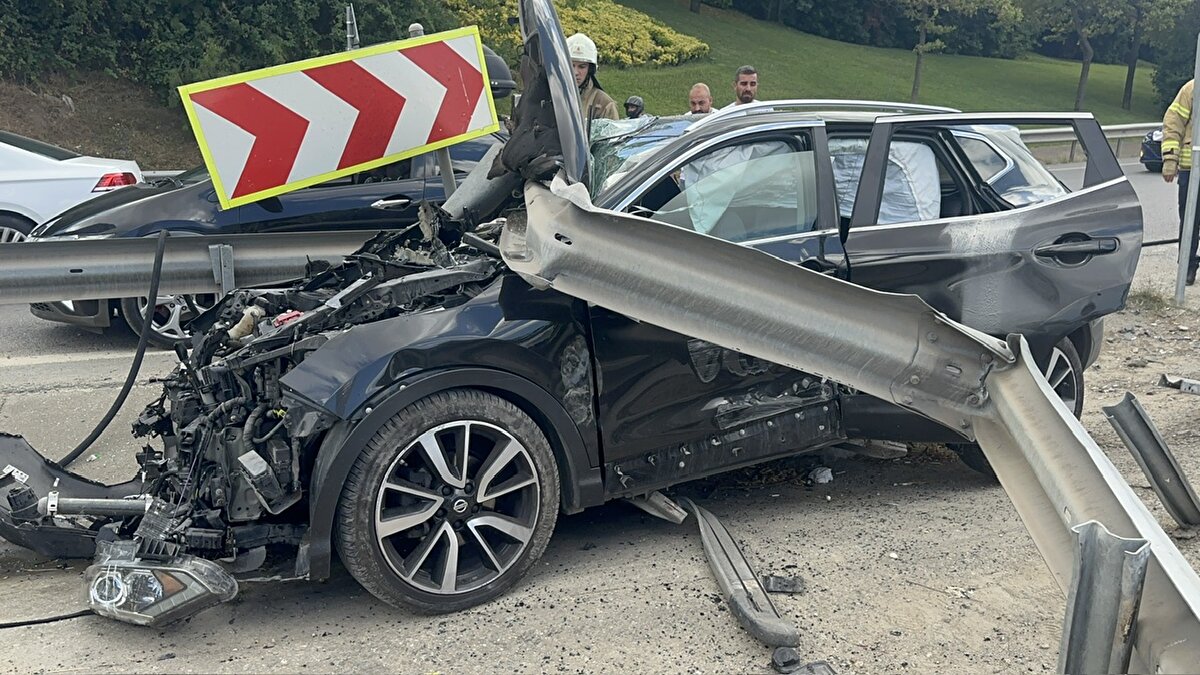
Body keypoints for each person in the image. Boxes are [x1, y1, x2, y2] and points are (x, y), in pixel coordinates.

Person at [1162, 78, 1200, 285]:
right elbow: (1173, 122)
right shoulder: (1192, 89)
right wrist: (1170, 159)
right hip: (1191, 169)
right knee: (1189, 222)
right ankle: (1188, 265)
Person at [566, 32, 619, 123]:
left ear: (590, 70)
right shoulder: (549, 97)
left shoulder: (605, 105)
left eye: (582, 67)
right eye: (571, 65)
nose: (575, 72)